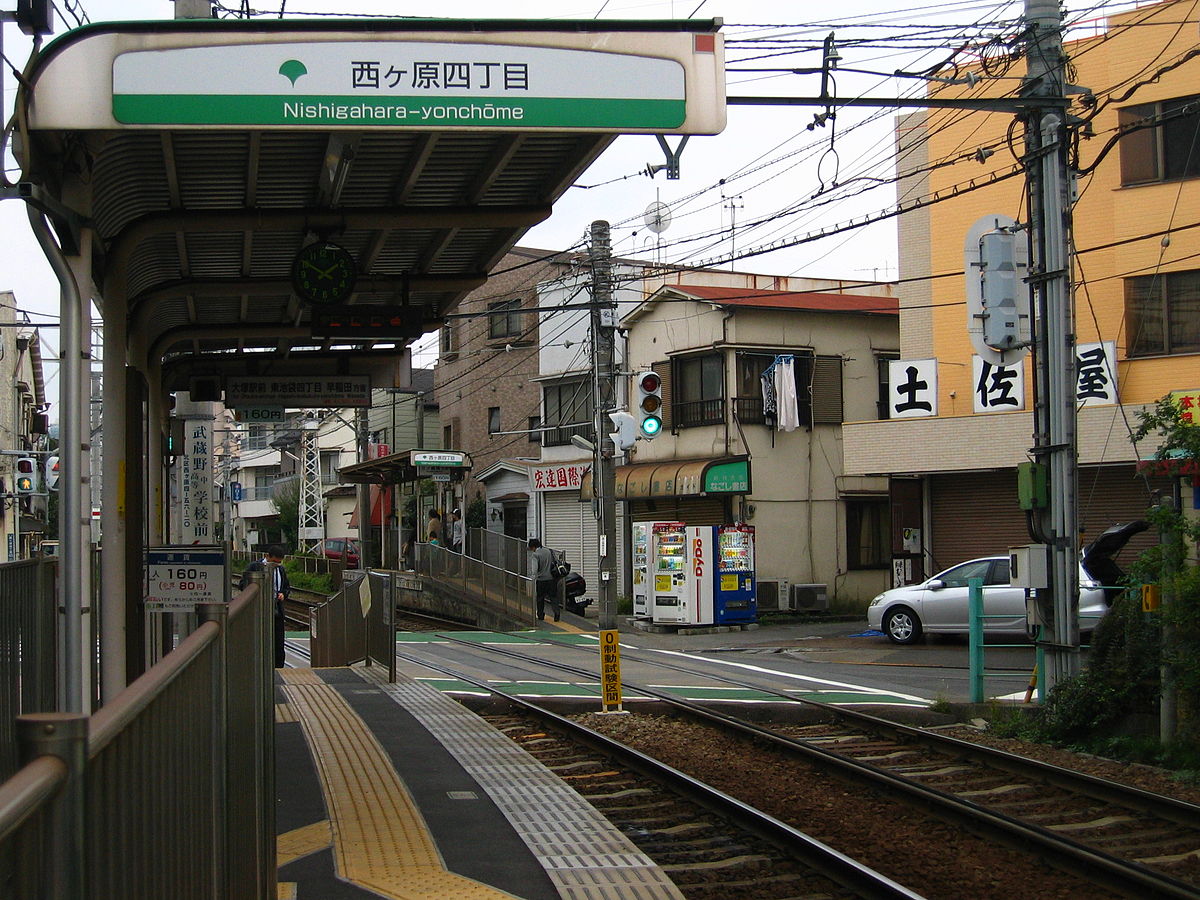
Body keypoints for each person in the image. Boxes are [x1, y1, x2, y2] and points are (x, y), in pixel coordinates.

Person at [240, 544, 289, 668]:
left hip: (277, 608)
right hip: (259, 609)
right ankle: (259, 666)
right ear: (267, 556)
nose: (276, 564)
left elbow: (286, 587)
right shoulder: (254, 566)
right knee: (261, 639)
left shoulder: (281, 570)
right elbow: (243, 585)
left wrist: (283, 594)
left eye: (279, 562)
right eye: (274, 562)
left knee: (278, 642)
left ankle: (278, 668)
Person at [528, 538, 560, 622]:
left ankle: (541, 615)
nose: (531, 550)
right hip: (551, 579)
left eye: (531, 548)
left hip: (541, 580)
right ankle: (556, 613)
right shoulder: (548, 551)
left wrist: (533, 577)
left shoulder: (535, 555)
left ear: (533, 547)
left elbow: (534, 569)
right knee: (553, 597)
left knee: (540, 598)